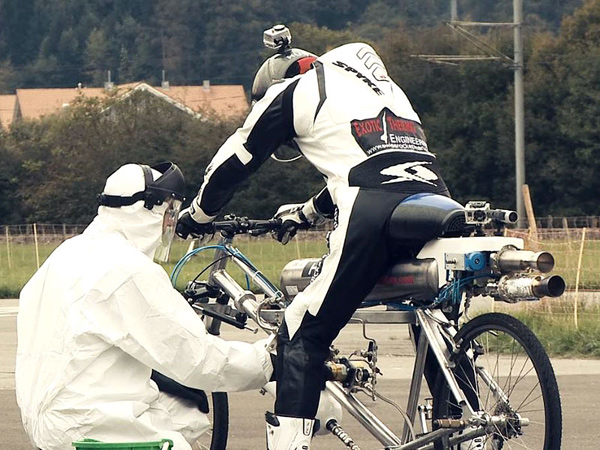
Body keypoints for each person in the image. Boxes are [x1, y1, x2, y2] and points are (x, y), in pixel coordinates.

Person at [176, 26, 451, 450]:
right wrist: (305, 212)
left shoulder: (289, 91)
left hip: (373, 210)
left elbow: (237, 159)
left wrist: (199, 212)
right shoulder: (374, 89)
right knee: (434, 321)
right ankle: (459, 426)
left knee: (302, 333)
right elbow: (368, 162)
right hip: (434, 200)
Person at [15, 162, 273, 450]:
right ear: (147, 210)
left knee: (186, 413)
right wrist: (269, 361)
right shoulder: (126, 269)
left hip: (49, 416)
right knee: (182, 424)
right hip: (89, 423)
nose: (170, 224)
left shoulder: (68, 252)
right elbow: (197, 358)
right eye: (169, 213)